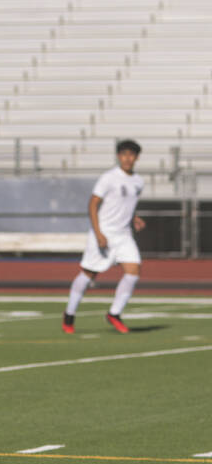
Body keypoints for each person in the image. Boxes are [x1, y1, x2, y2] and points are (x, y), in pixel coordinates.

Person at [63, 140, 146, 334]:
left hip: (124, 234)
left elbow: (126, 204)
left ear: (137, 158)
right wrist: (99, 233)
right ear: (118, 156)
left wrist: (134, 218)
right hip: (105, 232)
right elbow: (93, 204)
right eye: (124, 154)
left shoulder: (138, 182)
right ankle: (69, 313)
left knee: (133, 270)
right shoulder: (108, 178)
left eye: (131, 155)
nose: (128, 158)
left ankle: (114, 313)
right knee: (89, 274)